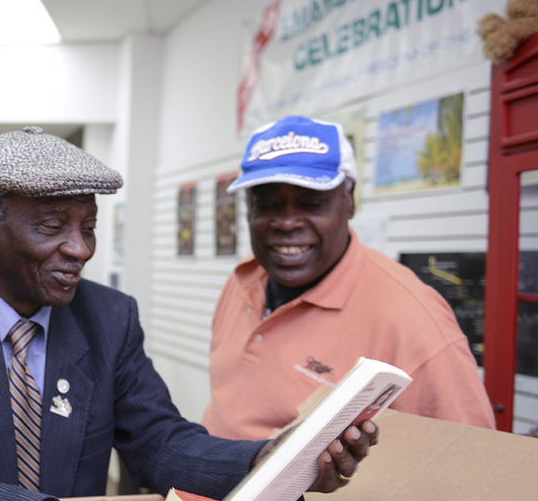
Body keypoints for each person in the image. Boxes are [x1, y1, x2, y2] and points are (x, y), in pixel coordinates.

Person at [0, 126, 376, 501]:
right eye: (53, 227)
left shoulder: (108, 317)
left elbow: (159, 443)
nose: (80, 249)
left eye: (89, 226)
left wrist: (264, 460)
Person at [202, 115, 496, 441]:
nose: (286, 223)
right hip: (206, 486)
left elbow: (468, 458)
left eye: (311, 203)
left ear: (349, 200)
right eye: (268, 204)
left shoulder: (413, 320)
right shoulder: (243, 280)